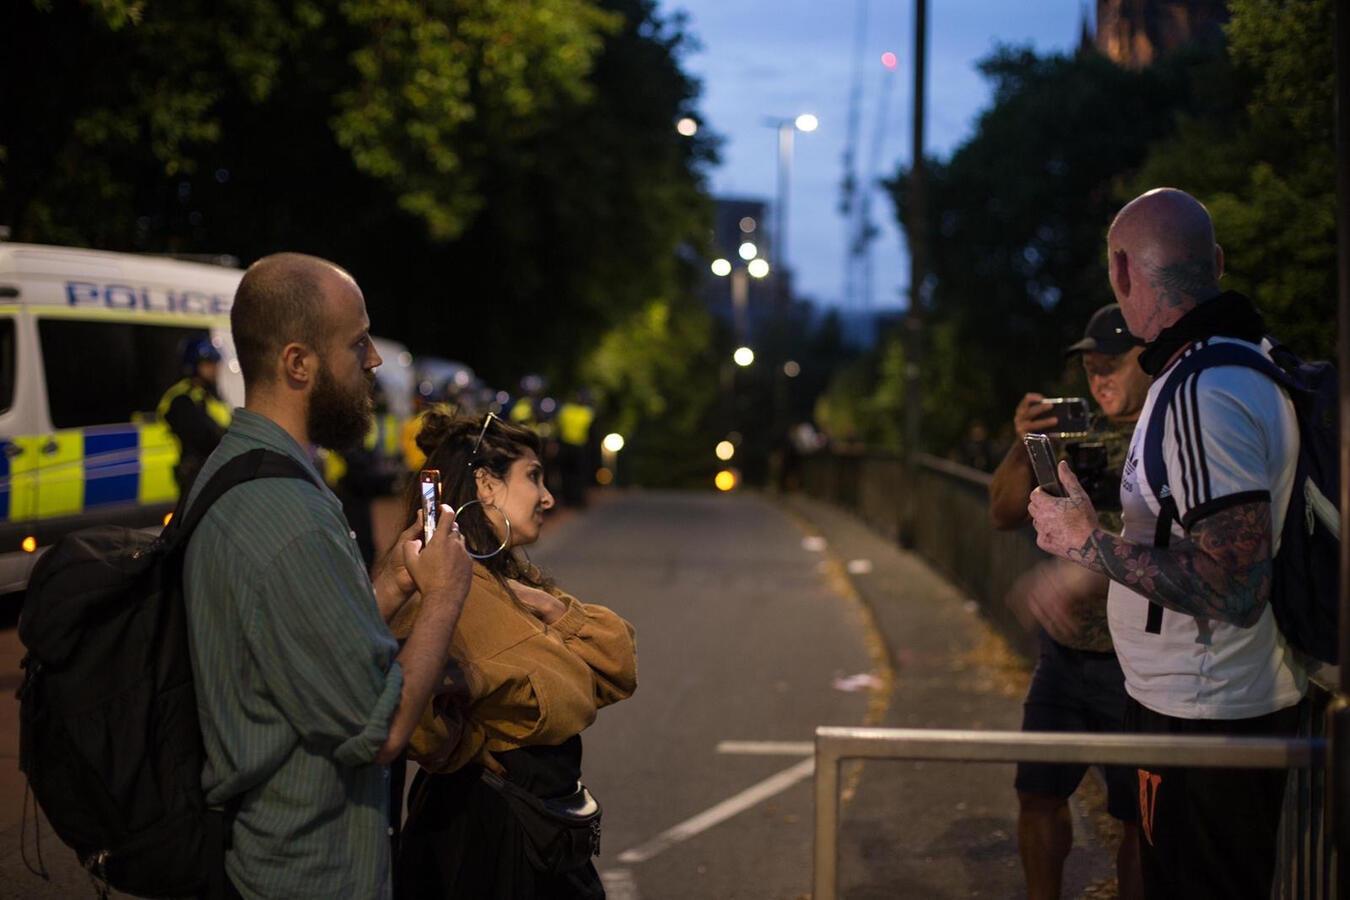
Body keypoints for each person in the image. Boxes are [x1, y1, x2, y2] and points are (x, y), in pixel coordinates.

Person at [1029, 188, 1307, 899]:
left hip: (1203, 721)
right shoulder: (1239, 363)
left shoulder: (1200, 389)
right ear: (1214, 262)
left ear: (1123, 273)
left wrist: (1088, 546)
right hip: (1212, 712)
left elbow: (1234, 586)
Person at [182, 253, 475, 900]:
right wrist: (445, 595)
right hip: (308, 872)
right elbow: (382, 727)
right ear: (297, 364)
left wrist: (391, 587)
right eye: (357, 343)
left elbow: (299, 647)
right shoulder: (290, 520)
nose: (373, 361)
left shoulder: (243, 465)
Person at [392, 410, 638, 900]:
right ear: (485, 484)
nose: (548, 496)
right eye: (533, 477)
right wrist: (473, 742)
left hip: (528, 831)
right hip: (482, 841)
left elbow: (618, 664)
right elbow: (413, 713)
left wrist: (547, 605)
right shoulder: (443, 587)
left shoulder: (509, 582)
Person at [988, 303, 1149, 900]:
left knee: (1136, 815)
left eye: (1113, 366)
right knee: (1037, 792)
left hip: (1132, 662)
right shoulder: (1071, 435)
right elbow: (1002, 513)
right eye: (1091, 369)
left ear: (1146, 361)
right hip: (1065, 652)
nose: (1099, 379)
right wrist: (1023, 444)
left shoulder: (1160, 433)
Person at [158, 337, 232, 493]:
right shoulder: (182, 398)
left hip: (215, 471)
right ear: (193, 365)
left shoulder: (211, 395)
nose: (214, 369)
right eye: (207, 364)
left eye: (215, 363)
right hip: (194, 474)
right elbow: (203, 434)